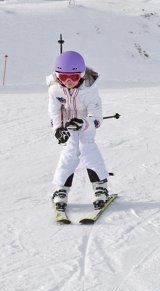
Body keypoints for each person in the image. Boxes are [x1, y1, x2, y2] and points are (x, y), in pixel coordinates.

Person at [48, 51, 110, 212]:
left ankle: (100, 187)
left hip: (85, 126)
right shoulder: (55, 90)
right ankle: (61, 188)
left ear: (82, 75)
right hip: (68, 126)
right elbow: (55, 111)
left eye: (74, 77)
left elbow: (96, 117)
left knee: (87, 150)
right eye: (63, 77)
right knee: (68, 154)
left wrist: (83, 122)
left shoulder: (89, 91)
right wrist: (58, 128)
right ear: (57, 76)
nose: (68, 82)